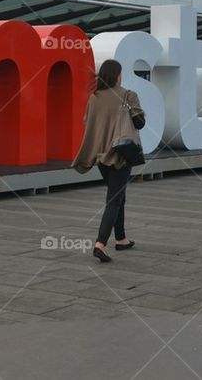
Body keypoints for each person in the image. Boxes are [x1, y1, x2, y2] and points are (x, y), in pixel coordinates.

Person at [72, 59, 145, 263]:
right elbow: (141, 123)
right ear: (117, 75)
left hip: (100, 156)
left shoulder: (94, 98)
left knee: (119, 195)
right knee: (114, 199)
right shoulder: (128, 95)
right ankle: (100, 244)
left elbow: (89, 123)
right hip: (121, 155)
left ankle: (121, 239)